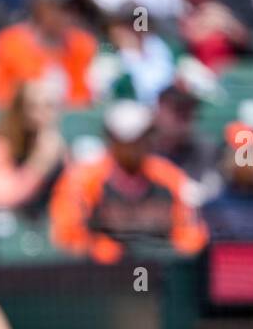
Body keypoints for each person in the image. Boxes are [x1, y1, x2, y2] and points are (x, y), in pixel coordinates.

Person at [49, 99, 208, 263]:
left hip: (158, 274)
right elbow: (67, 233)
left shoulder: (169, 176)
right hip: (101, 277)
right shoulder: (83, 179)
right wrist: (100, 249)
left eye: (142, 138)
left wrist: (169, 252)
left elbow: (192, 232)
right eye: (129, 141)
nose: (136, 146)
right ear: (112, 139)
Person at [0, 0, 97, 110]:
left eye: (74, 9)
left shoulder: (83, 44)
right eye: (61, 8)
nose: (68, 15)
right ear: (39, 7)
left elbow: (84, 98)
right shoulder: (10, 43)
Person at [0, 77, 66, 213]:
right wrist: (40, 162)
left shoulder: (58, 144)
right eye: (33, 107)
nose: (42, 114)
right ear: (19, 109)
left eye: (49, 106)